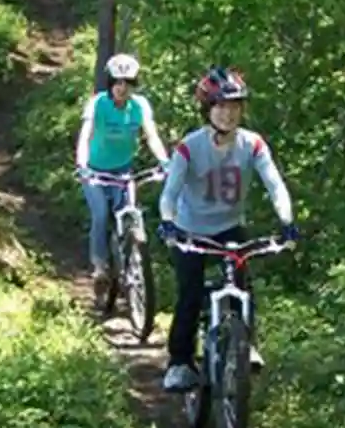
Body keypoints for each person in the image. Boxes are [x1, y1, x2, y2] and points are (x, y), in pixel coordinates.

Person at [156, 66, 299, 392]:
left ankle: (244, 344)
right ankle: (179, 362)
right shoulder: (189, 147)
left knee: (242, 289)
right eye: (221, 106)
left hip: (230, 227)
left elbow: (275, 185)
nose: (229, 113)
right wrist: (168, 223)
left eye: (235, 106)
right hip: (190, 230)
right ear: (207, 110)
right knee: (189, 294)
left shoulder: (253, 144)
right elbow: (170, 194)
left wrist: (287, 222)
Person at [75, 53, 169, 305]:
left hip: (123, 171)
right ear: (110, 83)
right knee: (101, 215)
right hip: (95, 172)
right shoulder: (97, 104)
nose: (122, 87)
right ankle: (100, 268)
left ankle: (131, 260)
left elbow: (151, 136)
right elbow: (85, 136)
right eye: (117, 82)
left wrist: (165, 161)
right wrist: (82, 165)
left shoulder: (139, 106)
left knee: (129, 213)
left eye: (128, 82)